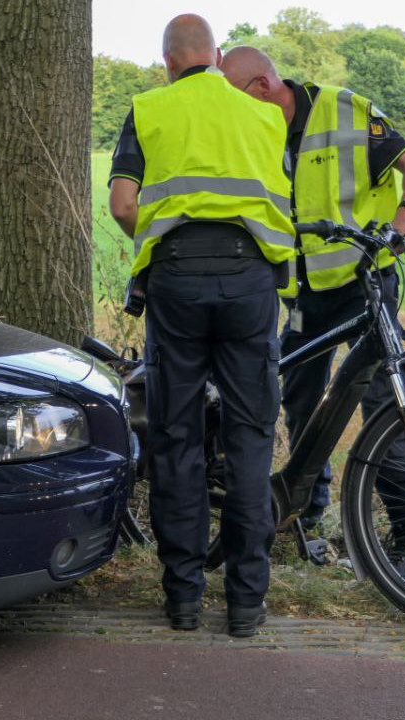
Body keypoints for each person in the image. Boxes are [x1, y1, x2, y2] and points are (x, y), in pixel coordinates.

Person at [218, 46, 405, 582]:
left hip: (366, 281)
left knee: (385, 401)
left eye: (236, 99)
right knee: (298, 398)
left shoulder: (343, 110)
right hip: (303, 293)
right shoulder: (253, 128)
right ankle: (303, 515)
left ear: (263, 87)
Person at [108, 15, 297, 638]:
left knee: (178, 439)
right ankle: (246, 602)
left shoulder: (148, 109)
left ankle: (183, 596)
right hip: (248, 284)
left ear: (167, 64)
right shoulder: (264, 115)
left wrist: (161, 248)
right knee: (249, 439)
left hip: (177, 284)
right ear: (216, 57)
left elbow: (124, 205)